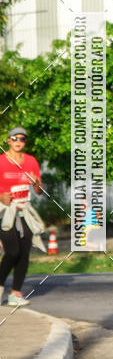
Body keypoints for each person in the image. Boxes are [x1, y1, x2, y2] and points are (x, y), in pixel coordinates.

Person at [0, 127, 45, 307]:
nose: (19, 141)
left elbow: (39, 191)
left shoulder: (31, 161)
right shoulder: (1, 162)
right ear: (8, 141)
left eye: (23, 139)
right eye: (15, 138)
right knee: (12, 251)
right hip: (4, 211)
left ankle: (15, 293)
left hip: (24, 209)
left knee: (24, 252)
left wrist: (36, 184)